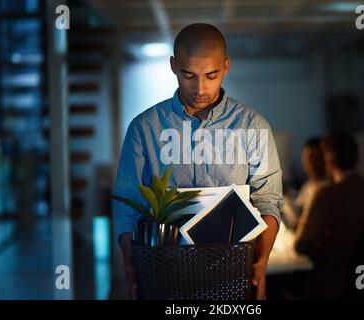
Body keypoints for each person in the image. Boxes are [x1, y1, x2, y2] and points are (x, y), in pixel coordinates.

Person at [113, 23, 284, 300]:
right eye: (188, 75)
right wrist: (131, 269)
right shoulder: (143, 128)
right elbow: (127, 207)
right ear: (173, 65)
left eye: (211, 75)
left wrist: (261, 264)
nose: (200, 88)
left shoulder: (254, 127)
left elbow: (269, 200)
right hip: (163, 279)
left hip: (234, 278)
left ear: (226, 67)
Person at [294, 133, 364, 299]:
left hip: (333, 282)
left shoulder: (325, 195)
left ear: (328, 162)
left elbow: (301, 243)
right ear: (356, 158)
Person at [282, 137, 328, 230]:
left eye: (313, 157)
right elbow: (298, 205)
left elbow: (300, 222)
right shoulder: (309, 185)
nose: (309, 162)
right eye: (306, 158)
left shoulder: (325, 188)